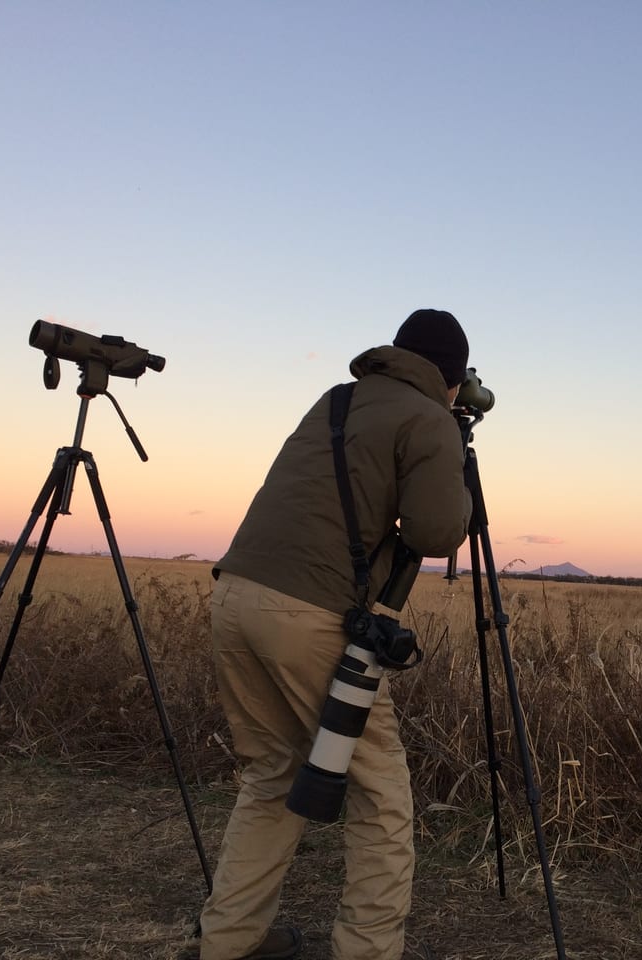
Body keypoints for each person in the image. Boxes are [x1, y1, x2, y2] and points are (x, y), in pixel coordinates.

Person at [194, 309, 473, 960]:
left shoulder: (338, 398)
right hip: (309, 616)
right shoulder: (430, 419)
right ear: (452, 380)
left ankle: (227, 942)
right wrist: (456, 456)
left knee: (272, 775)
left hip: (234, 595)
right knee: (380, 794)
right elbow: (436, 532)